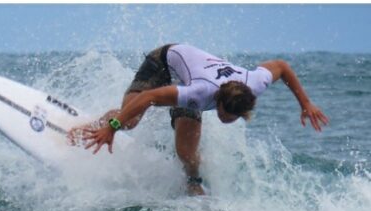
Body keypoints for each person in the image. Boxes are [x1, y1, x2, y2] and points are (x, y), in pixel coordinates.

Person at [69, 43, 329, 195]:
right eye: (227, 115)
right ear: (218, 103)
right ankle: (94, 127)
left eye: (236, 117)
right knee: (130, 120)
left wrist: (305, 103)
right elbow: (147, 98)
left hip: (191, 75)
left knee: (187, 153)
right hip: (164, 60)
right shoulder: (200, 93)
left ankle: (193, 183)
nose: (229, 120)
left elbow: (281, 66)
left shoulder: (255, 84)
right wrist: (113, 128)